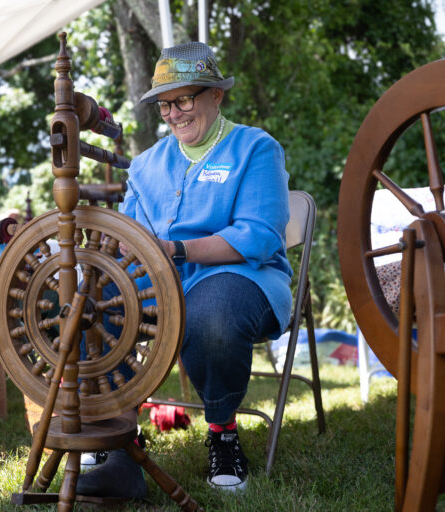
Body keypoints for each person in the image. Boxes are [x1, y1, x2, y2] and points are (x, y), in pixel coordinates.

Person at [77, 41, 292, 496]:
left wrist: (174, 248)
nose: (174, 113)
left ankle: (222, 433)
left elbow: (259, 236)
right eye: (164, 104)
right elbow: (129, 242)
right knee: (87, 299)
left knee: (210, 313)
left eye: (184, 99)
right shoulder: (144, 164)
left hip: (244, 278)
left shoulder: (255, 148)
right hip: (159, 283)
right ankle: (116, 436)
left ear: (217, 94)